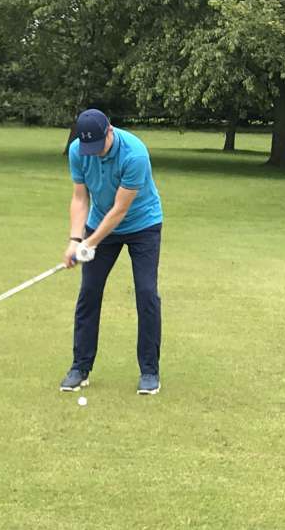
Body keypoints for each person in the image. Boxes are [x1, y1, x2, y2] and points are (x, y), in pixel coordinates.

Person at [59, 108, 164, 395]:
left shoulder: (135, 154)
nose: (93, 152)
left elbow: (120, 209)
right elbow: (80, 198)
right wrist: (75, 239)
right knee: (89, 292)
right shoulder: (78, 151)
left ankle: (149, 371)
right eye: (88, 147)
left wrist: (89, 244)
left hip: (143, 225)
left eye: (98, 145)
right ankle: (80, 367)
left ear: (110, 131)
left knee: (146, 293)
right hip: (98, 224)